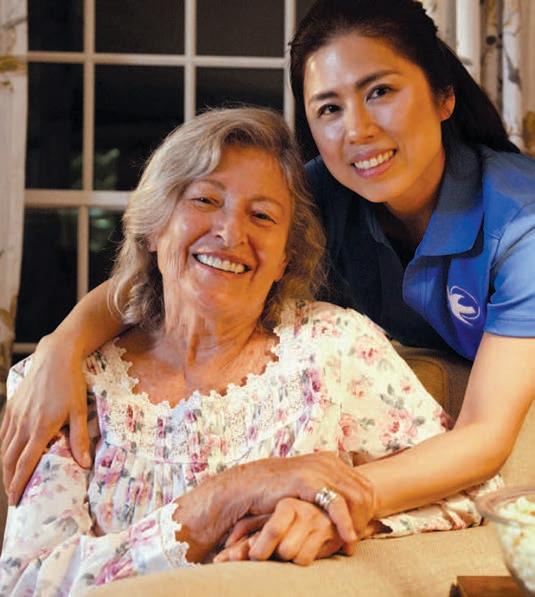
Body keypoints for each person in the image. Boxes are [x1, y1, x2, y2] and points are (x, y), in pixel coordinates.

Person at [1, 0, 533, 517]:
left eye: (380, 92)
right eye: (329, 108)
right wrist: (63, 347)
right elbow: (174, 271)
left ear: (444, 96)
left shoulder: (521, 224)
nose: (357, 130)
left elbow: (484, 434)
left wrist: (317, 495)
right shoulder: (322, 197)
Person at [0, 107, 497, 595]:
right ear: (154, 227)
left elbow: (474, 493)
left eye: (262, 215)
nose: (231, 233)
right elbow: (29, 584)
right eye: (205, 200)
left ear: (285, 259)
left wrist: (337, 513)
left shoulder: (334, 349)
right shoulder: (63, 384)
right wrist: (224, 498)